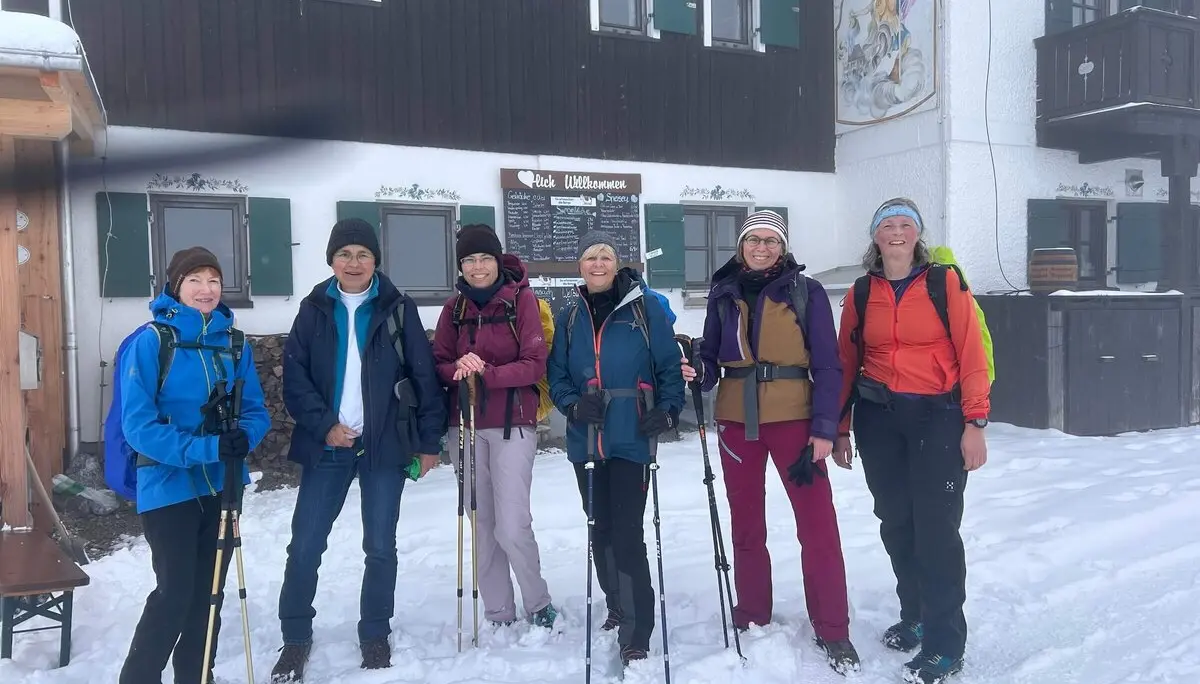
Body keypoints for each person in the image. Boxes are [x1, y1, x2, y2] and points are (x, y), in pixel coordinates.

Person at [271, 218, 448, 680]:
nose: (353, 262)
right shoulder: (313, 309)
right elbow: (296, 379)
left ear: (376, 261)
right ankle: (294, 637)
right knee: (306, 545)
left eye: (362, 254)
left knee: (380, 545)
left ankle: (374, 632)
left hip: (384, 446)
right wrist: (325, 424)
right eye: (344, 254)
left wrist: (429, 442)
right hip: (327, 445)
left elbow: (425, 377)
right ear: (331, 259)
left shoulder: (397, 308)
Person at [686, 210, 860, 674]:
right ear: (741, 245)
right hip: (736, 420)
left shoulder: (807, 292)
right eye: (753, 240)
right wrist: (697, 371)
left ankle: (833, 628)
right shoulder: (722, 293)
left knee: (817, 525)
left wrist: (826, 427)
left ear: (782, 248)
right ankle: (752, 614)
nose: (761, 248)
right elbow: (710, 357)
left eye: (770, 241)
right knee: (746, 524)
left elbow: (828, 364)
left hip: (796, 422)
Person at [833, 197, 990, 684]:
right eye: (887, 225)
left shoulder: (945, 283)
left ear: (917, 234)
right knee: (896, 519)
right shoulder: (861, 293)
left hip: (938, 416)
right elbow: (845, 362)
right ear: (875, 236)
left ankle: (946, 643)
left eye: (905, 225)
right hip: (879, 417)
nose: (896, 232)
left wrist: (975, 422)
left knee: (937, 526)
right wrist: (840, 426)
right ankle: (917, 613)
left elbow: (971, 353)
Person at [118, 247, 270, 684]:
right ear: (175, 286)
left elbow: (255, 411)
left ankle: (196, 676)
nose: (206, 289)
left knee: (209, 596)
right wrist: (207, 449)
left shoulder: (232, 342)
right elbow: (139, 427)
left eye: (214, 281)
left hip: (222, 488)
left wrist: (245, 437)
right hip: (167, 488)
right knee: (174, 594)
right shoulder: (152, 341)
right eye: (195, 280)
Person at [546, 231, 685, 671]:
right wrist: (570, 404)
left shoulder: (644, 309)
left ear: (618, 262)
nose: (599, 263)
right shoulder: (569, 313)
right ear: (580, 266)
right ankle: (617, 604)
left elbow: (667, 364)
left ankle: (636, 631)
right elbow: (557, 373)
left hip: (630, 434)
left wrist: (668, 410)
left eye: (606, 255)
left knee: (627, 531)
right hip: (587, 435)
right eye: (590, 256)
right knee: (599, 528)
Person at [431, 224, 558, 629]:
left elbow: (535, 363)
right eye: (469, 260)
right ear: (461, 265)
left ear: (497, 261)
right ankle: (498, 610)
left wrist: (487, 372)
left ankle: (537, 602)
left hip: (513, 425)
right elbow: (438, 364)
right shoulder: (454, 309)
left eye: (485, 258)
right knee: (481, 521)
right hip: (464, 426)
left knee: (512, 522)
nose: (478, 267)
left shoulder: (521, 301)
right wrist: (458, 369)